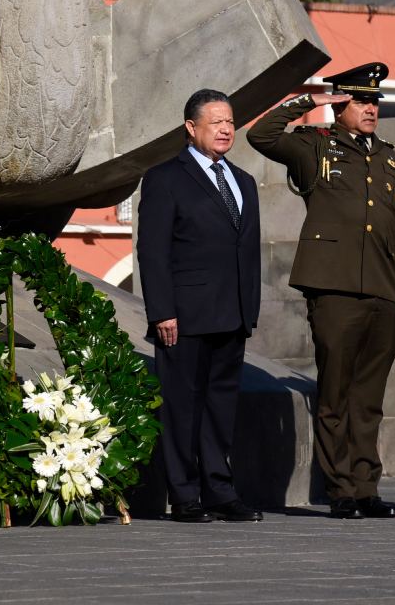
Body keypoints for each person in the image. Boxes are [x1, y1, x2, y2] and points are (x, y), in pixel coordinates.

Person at [245, 63, 395, 519]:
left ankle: (366, 488)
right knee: (336, 393)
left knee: (369, 398)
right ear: (341, 104)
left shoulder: (390, 156)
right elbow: (262, 136)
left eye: (375, 101)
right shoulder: (316, 146)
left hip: (381, 288)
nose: (371, 108)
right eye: (361, 100)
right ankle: (341, 491)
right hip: (333, 287)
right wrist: (310, 102)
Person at [137, 89, 263, 524]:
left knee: (221, 407)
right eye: (216, 122)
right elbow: (152, 251)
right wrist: (162, 311)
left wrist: (251, 307)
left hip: (232, 313)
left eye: (230, 121)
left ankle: (220, 491)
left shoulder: (243, 181)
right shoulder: (164, 178)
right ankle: (185, 495)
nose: (227, 128)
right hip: (184, 316)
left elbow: (246, 251)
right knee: (182, 406)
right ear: (191, 128)